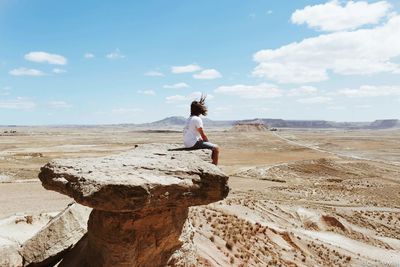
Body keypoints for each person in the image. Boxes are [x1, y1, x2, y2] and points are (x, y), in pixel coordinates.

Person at [183, 95, 219, 165]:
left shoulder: (188, 119)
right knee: (216, 148)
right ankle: (214, 166)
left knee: (208, 145)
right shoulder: (197, 119)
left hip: (187, 143)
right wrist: (207, 142)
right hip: (193, 144)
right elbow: (202, 134)